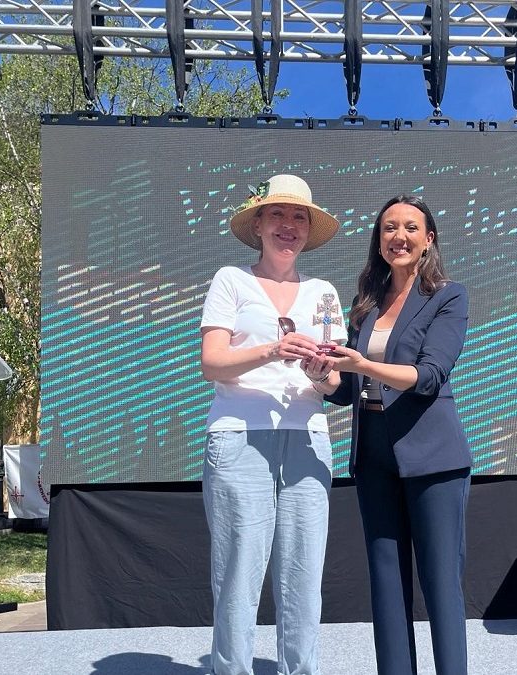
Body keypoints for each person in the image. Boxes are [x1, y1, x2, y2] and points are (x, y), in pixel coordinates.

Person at [199, 174, 346, 675]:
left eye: (299, 216)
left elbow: (334, 383)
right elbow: (212, 363)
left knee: (303, 576)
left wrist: (322, 373)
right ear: (258, 223)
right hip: (239, 437)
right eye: (278, 215)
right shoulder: (231, 280)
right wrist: (272, 349)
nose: (289, 225)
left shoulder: (324, 292)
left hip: (307, 438)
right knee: (239, 573)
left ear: (308, 230)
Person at [319, 194, 472, 675]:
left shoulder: (448, 296)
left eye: (409, 227)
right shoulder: (365, 302)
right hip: (373, 452)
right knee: (386, 580)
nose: (398, 237)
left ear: (428, 239)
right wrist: (317, 371)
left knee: (440, 582)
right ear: (378, 239)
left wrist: (364, 363)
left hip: (433, 456)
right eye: (388, 228)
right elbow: (346, 390)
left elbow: (429, 377)